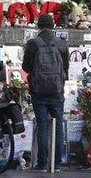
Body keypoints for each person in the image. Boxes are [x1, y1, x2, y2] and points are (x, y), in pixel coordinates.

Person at [23, 14, 69, 172]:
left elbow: (26, 68)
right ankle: (56, 164)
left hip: (38, 91)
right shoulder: (61, 43)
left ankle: (42, 164)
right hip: (57, 91)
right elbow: (66, 68)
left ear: (39, 26)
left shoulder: (33, 43)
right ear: (53, 26)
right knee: (58, 126)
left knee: (42, 126)